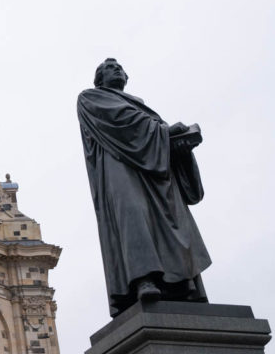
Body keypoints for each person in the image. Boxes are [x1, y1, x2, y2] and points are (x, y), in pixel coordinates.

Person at [77, 58, 211, 317]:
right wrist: (166, 131)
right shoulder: (91, 98)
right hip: (121, 168)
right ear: (99, 78)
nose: (116, 69)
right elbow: (121, 122)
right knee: (133, 218)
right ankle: (143, 279)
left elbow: (147, 130)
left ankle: (183, 284)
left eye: (119, 67)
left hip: (155, 175)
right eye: (109, 67)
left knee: (171, 223)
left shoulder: (140, 105)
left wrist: (177, 143)